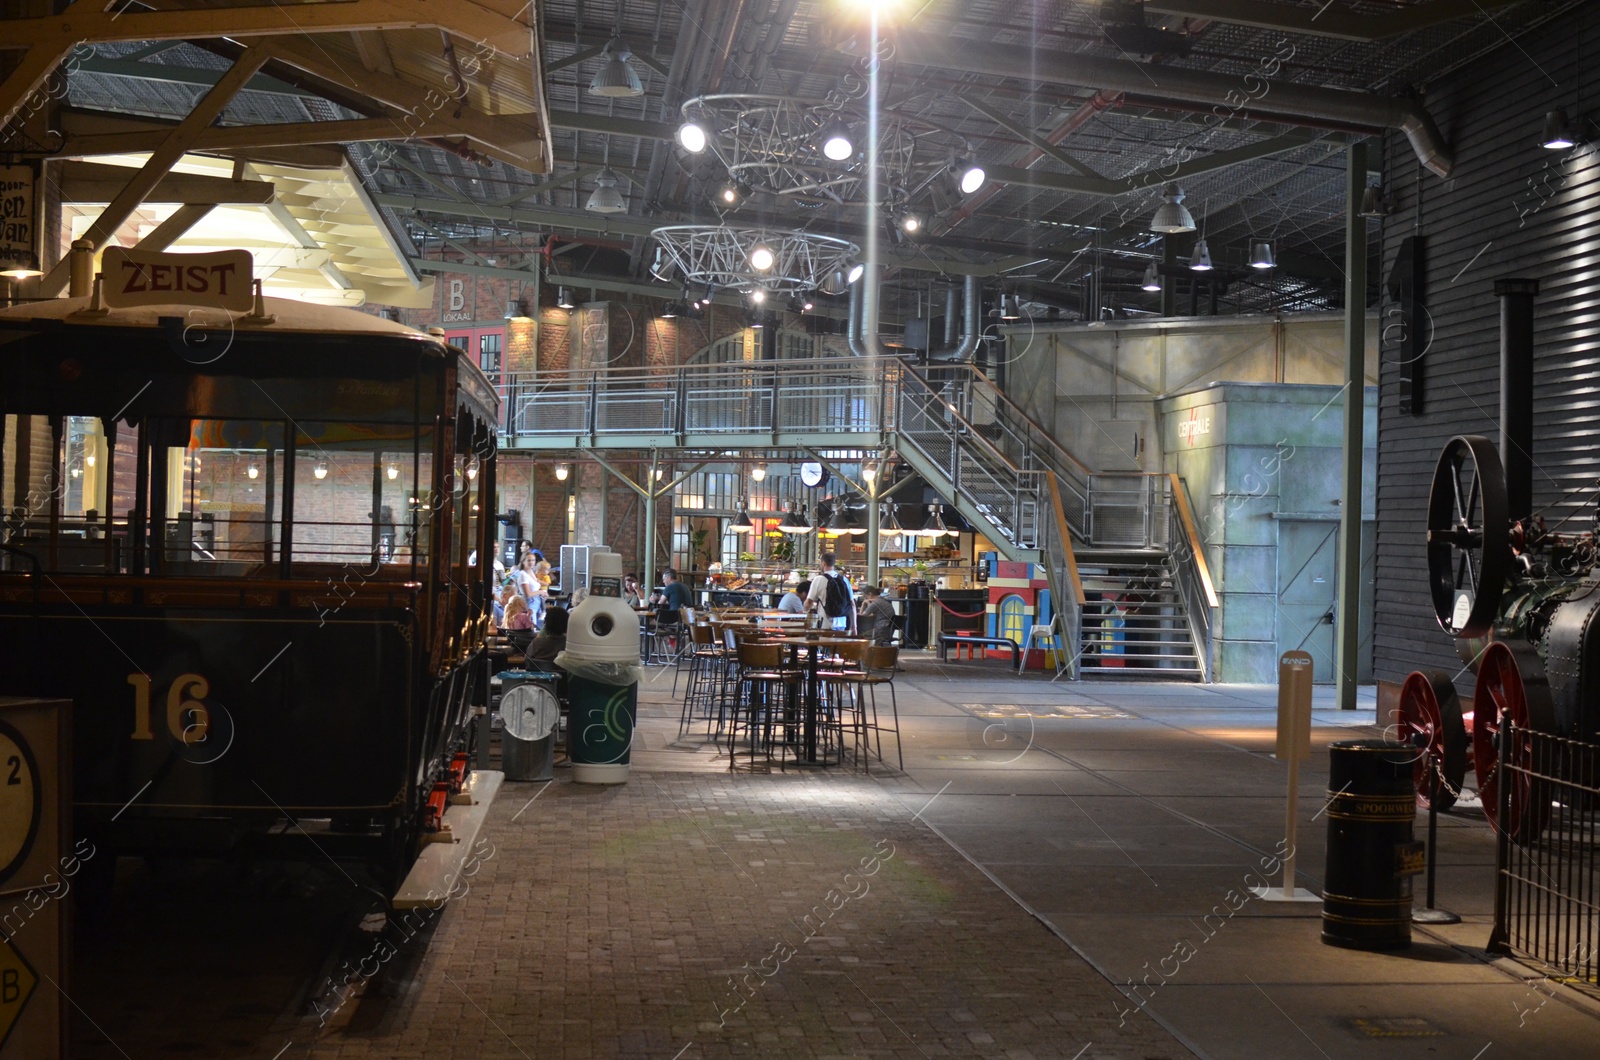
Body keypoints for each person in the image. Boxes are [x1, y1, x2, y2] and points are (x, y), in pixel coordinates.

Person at [806, 552, 856, 633]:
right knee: (838, 645)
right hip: (841, 623)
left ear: (823, 563)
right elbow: (852, 604)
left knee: (823, 645)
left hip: (825, 623)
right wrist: (854, 627)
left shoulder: (818, 579)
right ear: (834, 563)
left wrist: (804, 611)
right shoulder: (844, 580)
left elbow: (809, 602)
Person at [525, 606, 569, 673]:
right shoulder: (569, 646)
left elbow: (526, 659)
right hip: (563, 681)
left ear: (546, 623)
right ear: (567, 623)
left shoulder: (536, 643)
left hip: (538, 681)